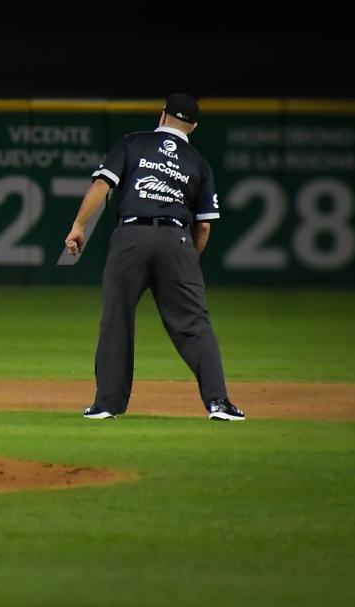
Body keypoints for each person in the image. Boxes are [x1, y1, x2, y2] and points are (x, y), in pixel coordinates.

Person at [64, 93, 244, 421]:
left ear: (161, 116)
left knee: (116, 319)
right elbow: (203, 226)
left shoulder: (133, 143)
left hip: (131, 236)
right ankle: (219, 403)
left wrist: (78, 227)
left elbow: (102, 187)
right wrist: (187, 259)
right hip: (177, 239)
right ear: (194, 127)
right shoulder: (198, 163)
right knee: (194, 323)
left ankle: (107, 405)